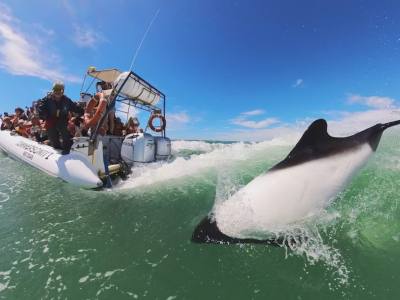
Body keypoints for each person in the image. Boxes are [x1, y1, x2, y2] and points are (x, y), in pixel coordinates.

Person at [37, 81, 84, 154]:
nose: (58, 92)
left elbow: (76, 108)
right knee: (52, 136)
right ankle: (57, 148)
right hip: (50, 119)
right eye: (56, 90)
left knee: (65, 132)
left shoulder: (67, 100)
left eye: (60, 90)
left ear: (63, 91)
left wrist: (81, 112)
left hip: (62, 119)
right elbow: (40, 109)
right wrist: (44, 115)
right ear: (53, 91)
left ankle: (67, 149)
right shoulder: (46, 99)